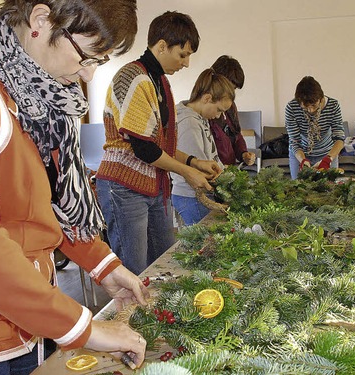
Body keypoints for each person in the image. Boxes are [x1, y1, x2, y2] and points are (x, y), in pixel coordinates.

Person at [0, 1, 150, 373]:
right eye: (87, 56)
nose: (86, 75)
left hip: (29, 318)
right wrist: (85, 328)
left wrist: (103, 265)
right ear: (40, 20)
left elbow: (47, 204)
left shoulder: (35, 91)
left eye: (97, 62)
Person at [95, 11, 221, 275]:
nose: (186, 64)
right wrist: (189, 172)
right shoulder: (133, 77)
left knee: (163, 264)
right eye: (182, 55)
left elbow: (161, 141)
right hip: (124, 188)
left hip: (153, 187)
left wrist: (194, 162)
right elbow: (145, 148)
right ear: (162, 46)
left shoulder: (160, 81)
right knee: (135, 272)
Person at [171, 69, 235, 225]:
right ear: (207, 98)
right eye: (219, 110)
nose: (219, 116)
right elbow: (196, 169)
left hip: (198, 195)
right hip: (192, 196)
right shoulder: (189, 123)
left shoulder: (200, 117)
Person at [284, 76, 345, 179]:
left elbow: (339, 139)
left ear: (321, 99)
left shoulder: (333, 105)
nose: (310, 110)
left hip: (328, 153)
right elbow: (294, 141)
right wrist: (303, 160)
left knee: (330, 190)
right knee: (298, 189)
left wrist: (328, 160)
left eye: (314, 106)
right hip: (300, 154)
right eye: (305, 107)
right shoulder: (292, 108)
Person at [208, 55, 256, 166]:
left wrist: (244, 154)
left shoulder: (231, 106)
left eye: (234, 89)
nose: (232, 93)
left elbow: (237, 135)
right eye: (230, 88)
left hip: (228, 170)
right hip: (214, 171)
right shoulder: (206, 110)